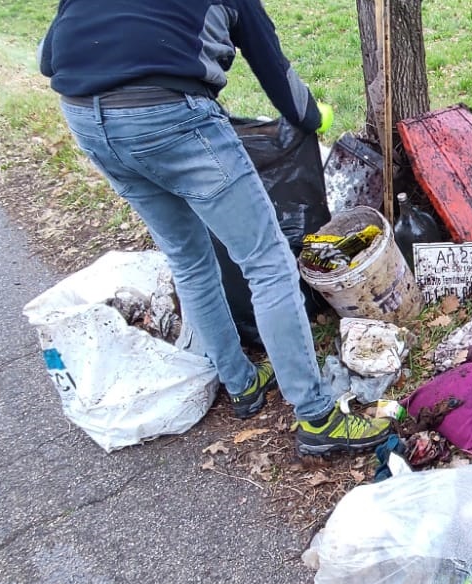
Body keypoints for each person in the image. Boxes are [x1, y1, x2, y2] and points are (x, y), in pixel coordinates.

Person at [39, 0, 391, 456]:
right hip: (170, 114)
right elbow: (275, 71)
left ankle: (242, 383)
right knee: (268, 264)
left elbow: (49, 58)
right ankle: (317, 417)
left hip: (86, 116)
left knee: (188, 259)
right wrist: (309, 116)